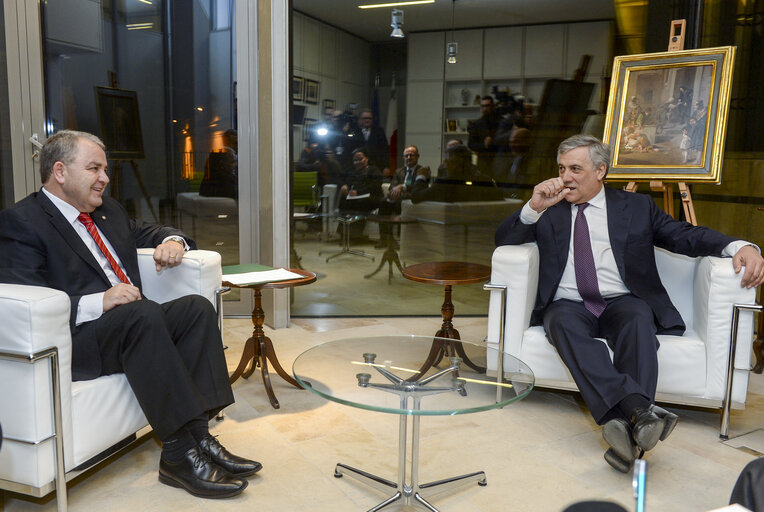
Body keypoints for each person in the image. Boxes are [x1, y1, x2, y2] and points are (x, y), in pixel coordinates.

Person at [0, 130, 261, 498]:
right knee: (143, 315)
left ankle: (200, 439)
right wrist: (98, 301)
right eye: (94, 168)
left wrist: (173, 240)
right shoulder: (22, 222)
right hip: (77, 340)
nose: (104, 178)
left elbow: (151, 231)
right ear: (59, 171)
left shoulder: (108, 210)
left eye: (105, 169)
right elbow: (24, 299)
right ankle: (176, 453)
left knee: (195, 309)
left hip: (131, 324)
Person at [494, 134, 764, 473]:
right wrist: (532, 208)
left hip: (622, 301)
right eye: (562, 168)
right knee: (559, 323)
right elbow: (502, 242)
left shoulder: (635, 207)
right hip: (568, 303)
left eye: (576, 169)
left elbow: (685, 235)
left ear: (600, 170)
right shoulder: (549, 208)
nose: (565, 178)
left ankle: (629, 432)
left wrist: (739, 245)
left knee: (638, 322)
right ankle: (640, 412)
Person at [411, 143, 503, 203]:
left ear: (456, 164)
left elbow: (416, 197)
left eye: (447, 161)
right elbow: (499, 195)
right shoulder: (485, 182)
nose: (444, 165)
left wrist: (421, 177)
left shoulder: (445, 185)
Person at [377, 145, 430, 247]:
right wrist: (395, 191)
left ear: (418, 156)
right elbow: (392, 186)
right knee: (383, 202)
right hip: (398, 197)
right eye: (406, 156)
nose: (408, 158)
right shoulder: (399, 171)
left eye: (411, 155)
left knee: (400, 203)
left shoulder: (423, 171)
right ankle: (385, 238)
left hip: (412, 198)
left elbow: (420, 186)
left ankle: (402, 239)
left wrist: (403, 187)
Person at [200, 128, 238, 200]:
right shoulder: (218, 156)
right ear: (225, 142)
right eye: (235, 143)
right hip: (218, 189)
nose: (236, 146)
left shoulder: (225, 155)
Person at [468, 96, 501, 175]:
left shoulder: (501, 122)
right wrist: (484, 145)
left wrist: (493, 141)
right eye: (483, 106)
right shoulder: (476, 124)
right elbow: (471, 144)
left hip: (500, 161)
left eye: (487, 106)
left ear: (493, 106)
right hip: (484, 163)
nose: (485, 109)